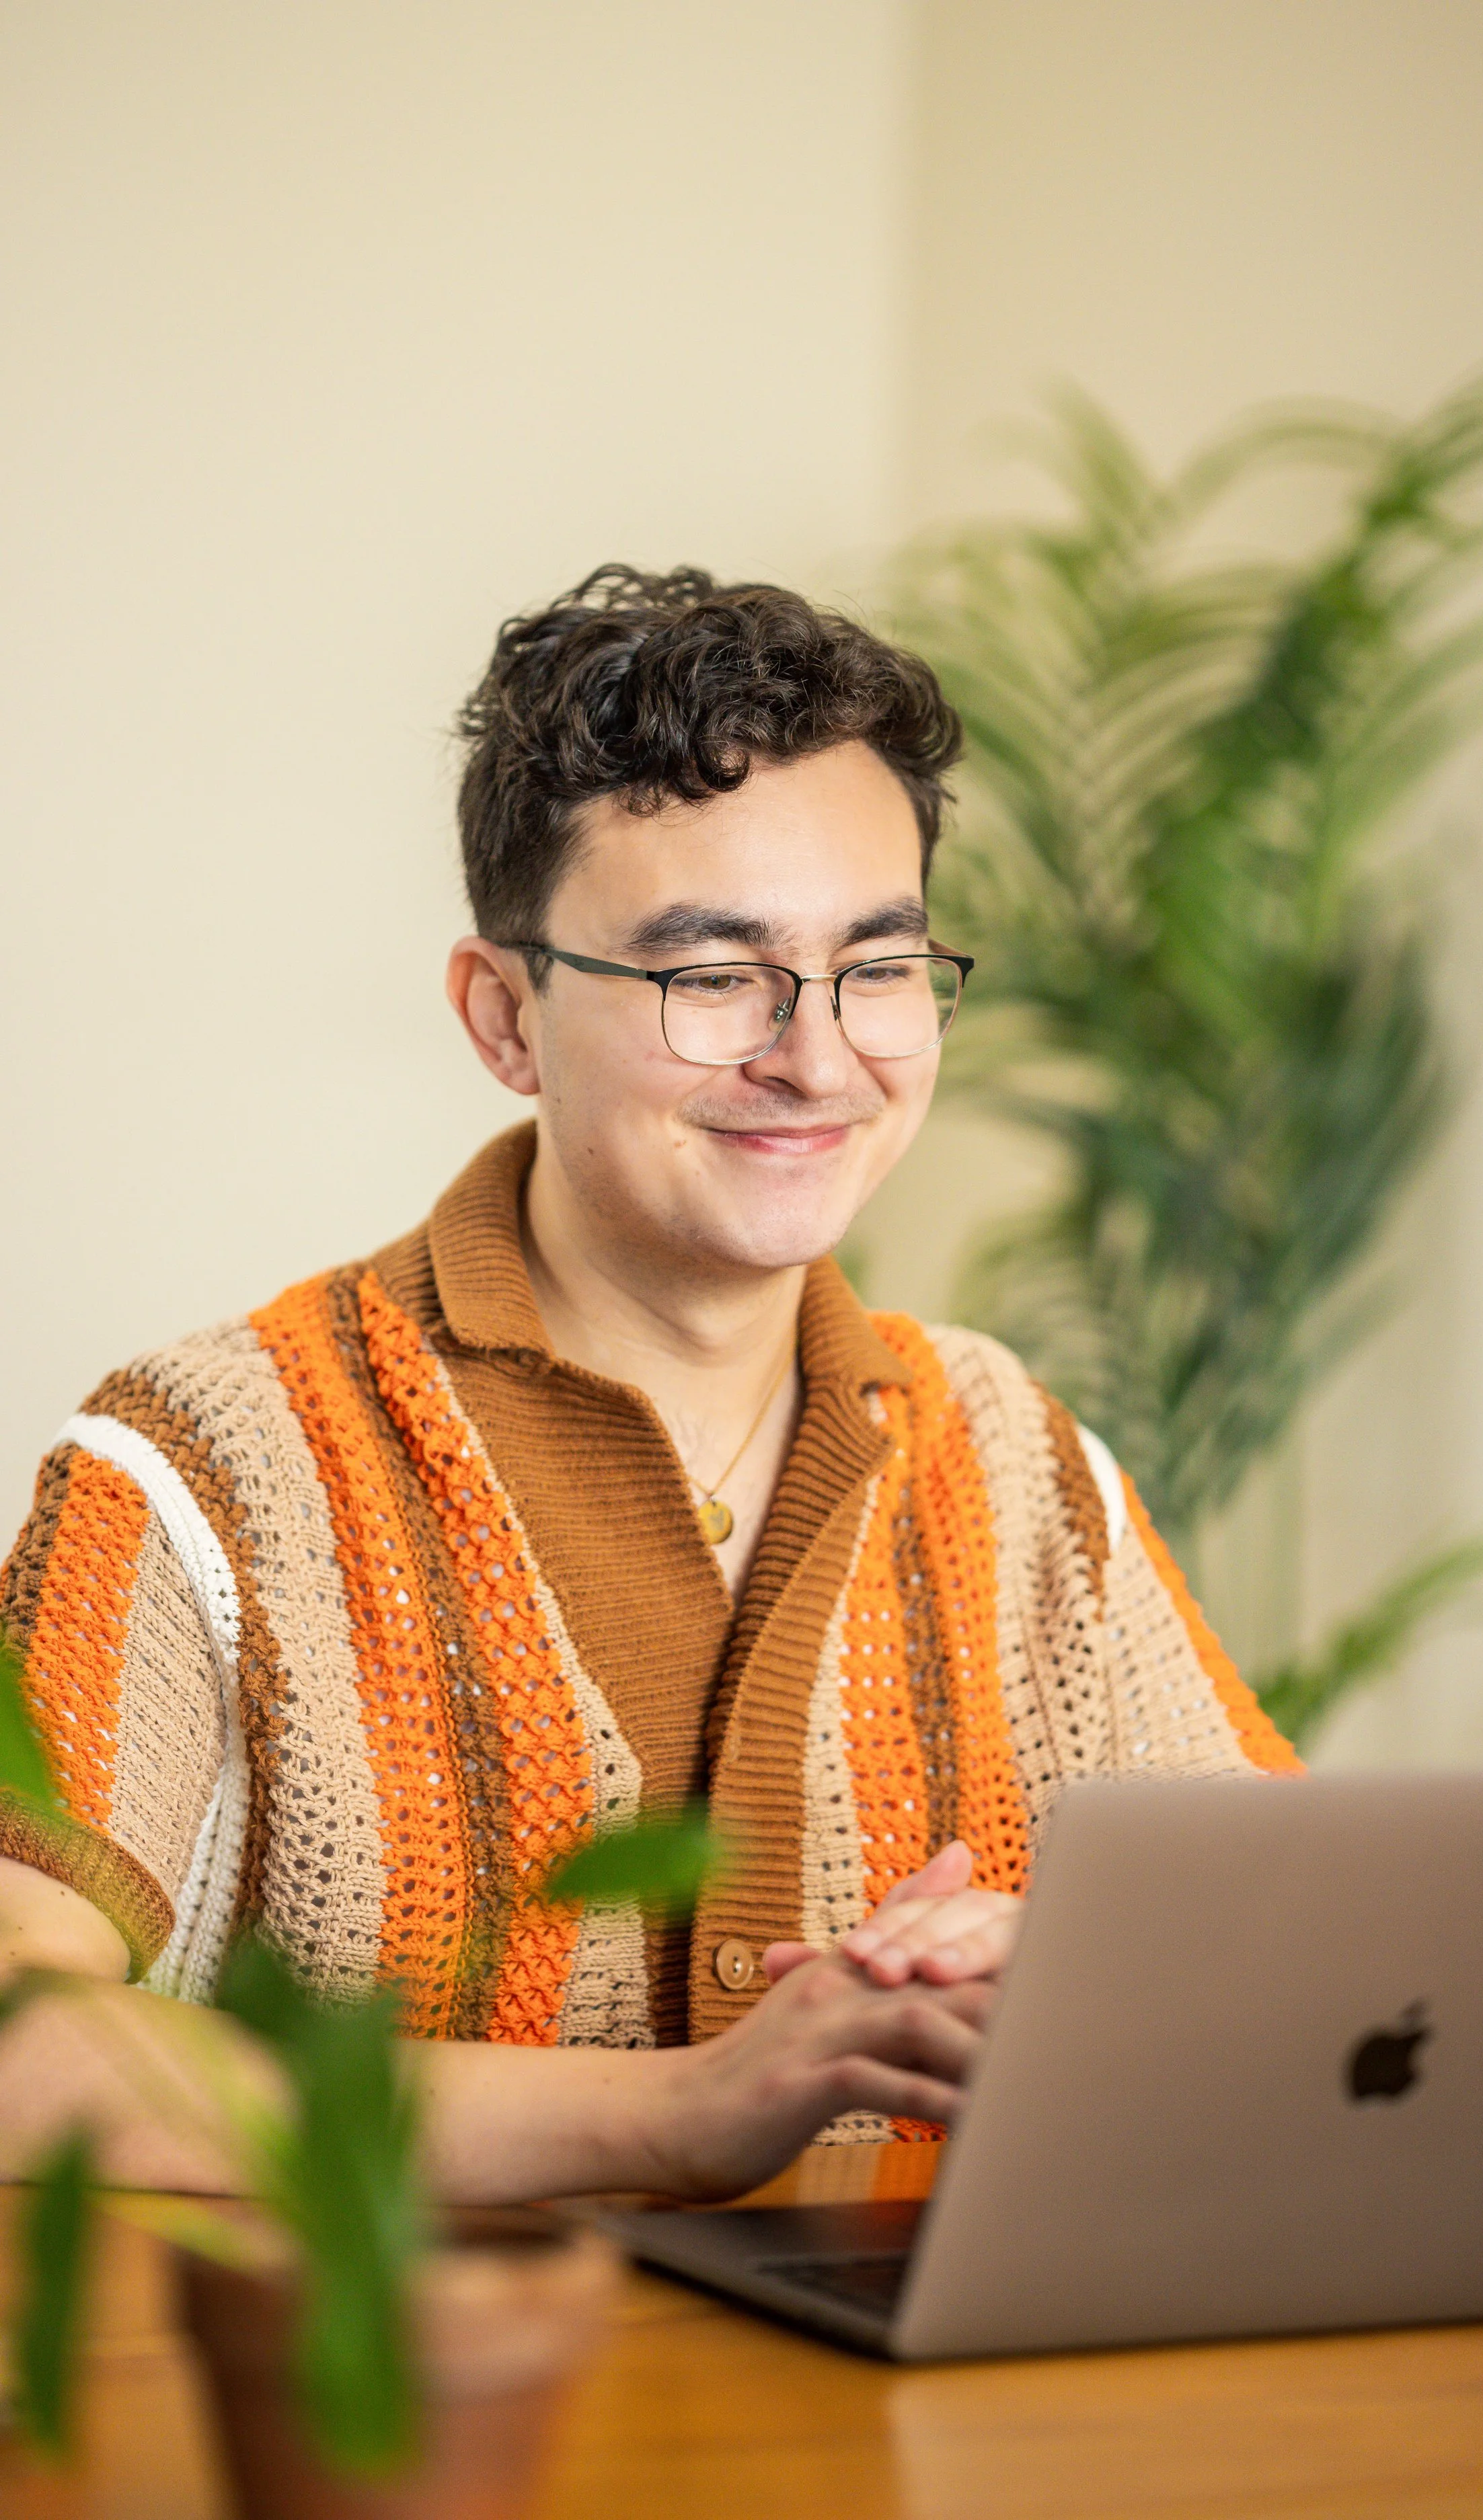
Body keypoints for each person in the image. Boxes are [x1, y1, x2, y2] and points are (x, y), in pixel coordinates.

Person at [0, 566, 1297, 2203]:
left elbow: (1298, 1947)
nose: (817, 1056)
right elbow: (19, 2053)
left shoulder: (1016, 1454)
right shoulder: (205, 1465)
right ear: (505, 1016)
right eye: (711, 975)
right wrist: (682, 2110)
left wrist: (1084, 1960)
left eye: (876, 967)